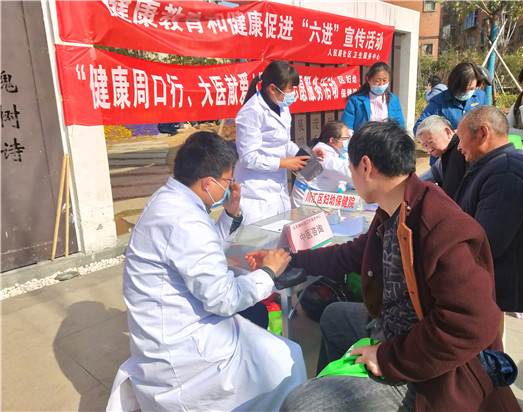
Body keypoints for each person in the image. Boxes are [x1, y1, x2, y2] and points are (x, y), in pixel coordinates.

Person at [247, 121, 519, 411]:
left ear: (365, 166)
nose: (351, 175)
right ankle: (338, 387)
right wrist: (290, 258)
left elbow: (472, 323)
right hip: (393, 328)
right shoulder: (394, 209)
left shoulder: (441, 225)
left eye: (350, 167)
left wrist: (389, 357)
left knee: (300, 405)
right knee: (334, 316)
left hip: (429, 366)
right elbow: (352, 253)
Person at [108, 132, 307, 411]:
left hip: (180, 321)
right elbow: (223, 299)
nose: (230, 187)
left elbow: (202, 251)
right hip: (183, 351)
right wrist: (268, 272)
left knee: (259, 324)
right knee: (287, 356)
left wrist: (231, 213)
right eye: (228, 181)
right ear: (208, 182)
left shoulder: (169, 199)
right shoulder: (186, 220)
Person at [454, 106, 523, 317]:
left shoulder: (507, 171)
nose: (459, 147)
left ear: (483, 133)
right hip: (493, 287)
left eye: (460, 138)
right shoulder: (499, 163)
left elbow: (485, 244)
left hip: (499, 289)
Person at [234, 61, 325, 224]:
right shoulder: (251, 112)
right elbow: (248, 158)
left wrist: (304, 155)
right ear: (272, 89)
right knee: (259, 236)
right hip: (255, 192)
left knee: (279, 231)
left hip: (277, 188)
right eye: (290, 89)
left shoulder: (282, 107)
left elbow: (284, 143)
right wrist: (283, 163)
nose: (293, 93)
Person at [291, 120, 354, 207]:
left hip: (323, 199)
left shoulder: (339, 151)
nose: (348, 141)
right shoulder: (322, 155)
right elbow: (348, 173)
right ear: (332, 141)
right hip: (308, 202)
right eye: (346, 139)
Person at [414, 62, 487, 134]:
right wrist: (445, 134)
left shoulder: (480, 96)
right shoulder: (439, 101)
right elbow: (418, 128)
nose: (468, 92)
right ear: (454, 85)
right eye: (463, 90)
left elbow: (487, 120)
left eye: (471, 88)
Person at [340, 62, 405, 133]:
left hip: (387, 139)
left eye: (384, 80)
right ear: (368, 79)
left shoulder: (393, 100)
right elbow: (347, 127)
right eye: (377, 81)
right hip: (363, 139)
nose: (381, 84)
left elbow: (400, 125)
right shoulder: (355, 100)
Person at [416, 115, 468, 198]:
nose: (430, 149)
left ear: (447, 132)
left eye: (431, 142)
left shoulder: (461, 152)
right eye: (425, 146)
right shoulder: (444, 156)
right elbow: (430, 175)